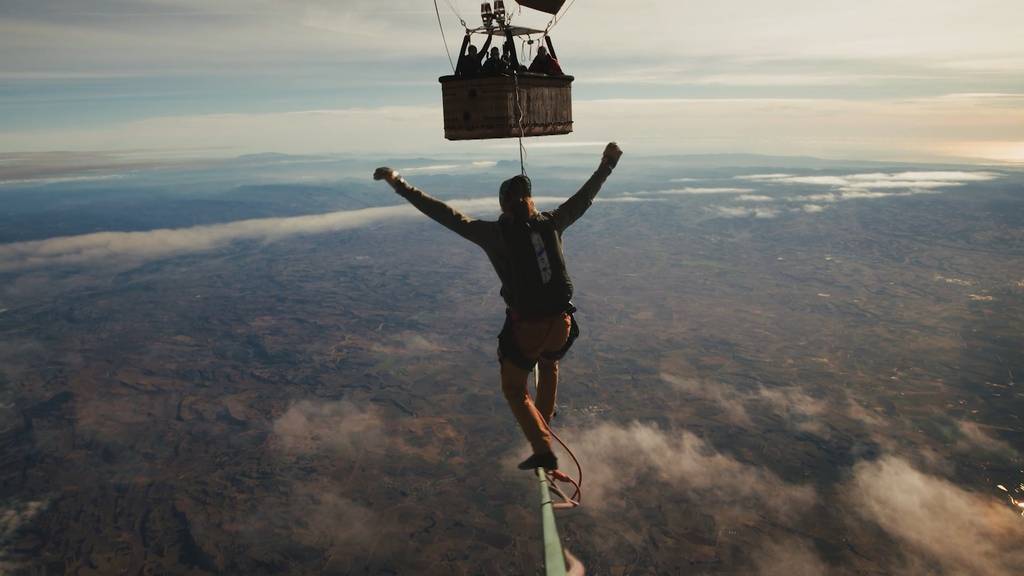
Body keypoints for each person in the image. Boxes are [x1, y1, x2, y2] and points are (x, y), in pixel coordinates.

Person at [373, 143, 623, 471]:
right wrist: (608, 163)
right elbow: (586, 196)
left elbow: (443, 213)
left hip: (528, 328)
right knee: (549, 365)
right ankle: (544, 423)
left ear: (504, 204)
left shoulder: (495, 234)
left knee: (515, 389)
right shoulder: (553, 222)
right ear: (531, 201)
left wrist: (398, 182)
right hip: (562, 324)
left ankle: (542, 448)